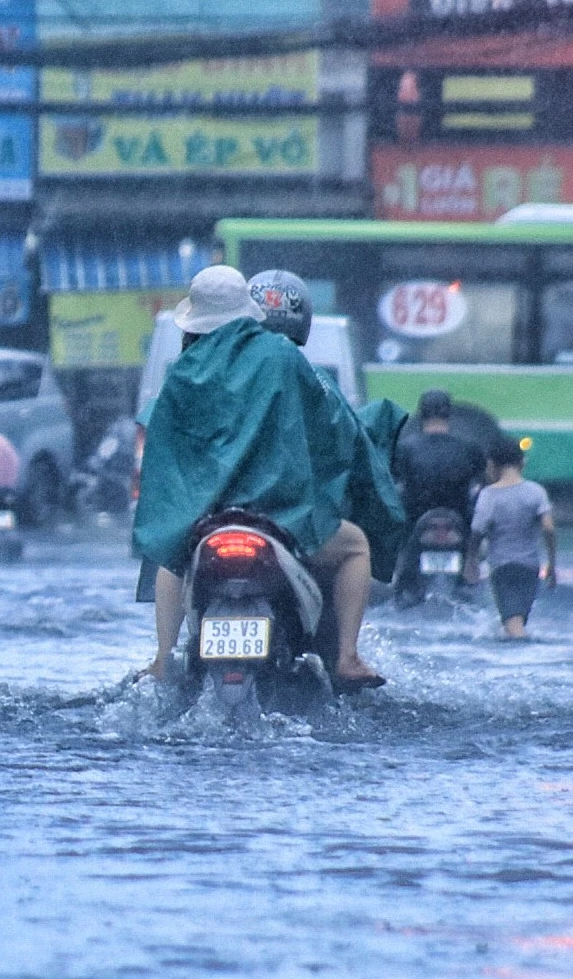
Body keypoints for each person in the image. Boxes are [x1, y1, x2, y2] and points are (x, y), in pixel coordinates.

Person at [133, 266, 405, 687]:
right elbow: (331, 426)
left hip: (205, 518)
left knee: (171, 548)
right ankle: (348, 658)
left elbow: (164, 449)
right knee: (355, 547)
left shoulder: (183, 372)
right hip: (280, 517)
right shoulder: (281, 357)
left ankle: (161, 660)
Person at [390, 389, 486, 603]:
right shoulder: (468, 448)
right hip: (460, 521)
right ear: (449, 414)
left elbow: (392, 482)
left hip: (414, 521)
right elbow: (482, 483)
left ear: (421, 414)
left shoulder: (404, 448)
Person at [469, 435, 557, 639]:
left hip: (502, 568)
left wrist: (470, 561)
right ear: (522, 462)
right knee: (517, 619)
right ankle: (517, 654)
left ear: (492, 464)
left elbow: (477, 532)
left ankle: (520, 659)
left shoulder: (489, 495)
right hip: (530, 568)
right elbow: (549, 528)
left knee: (513, 625)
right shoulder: (536, 492)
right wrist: (551, 564)